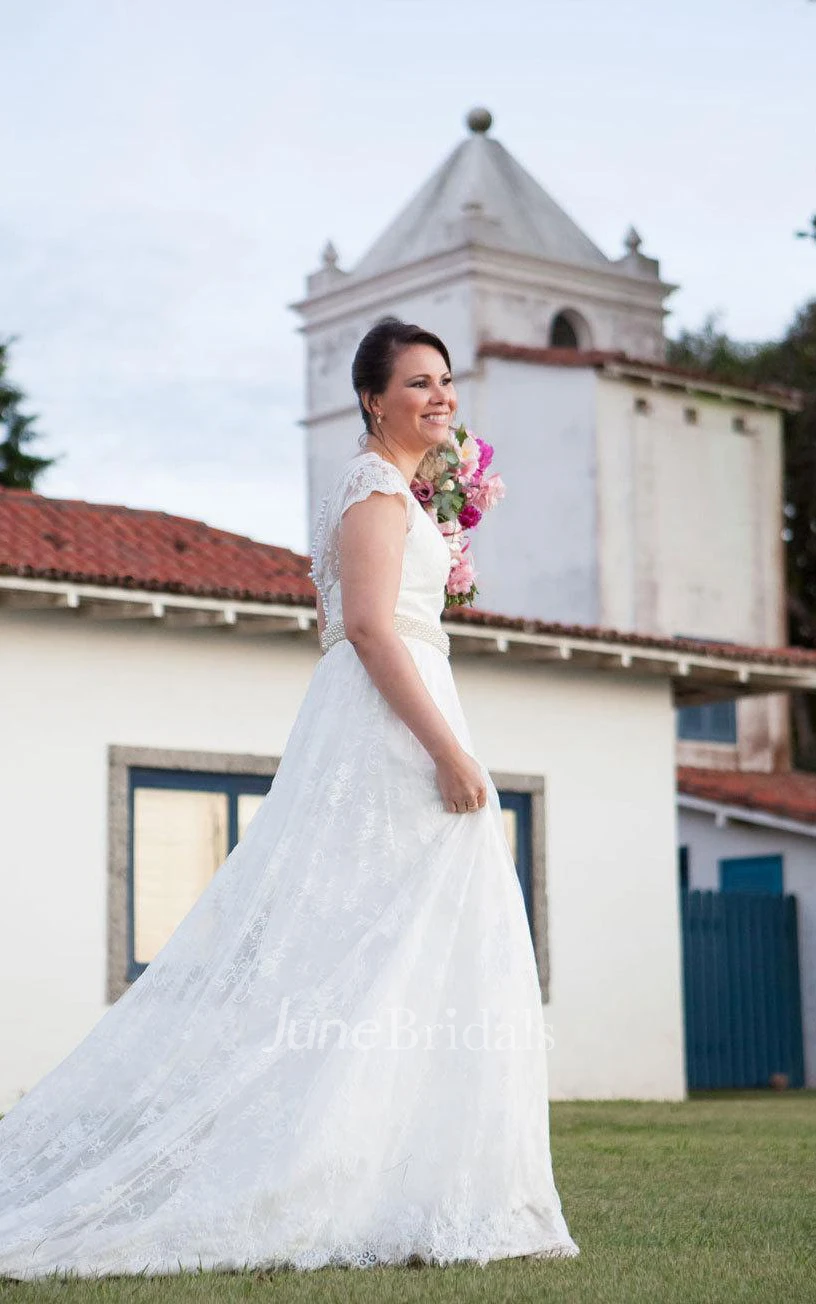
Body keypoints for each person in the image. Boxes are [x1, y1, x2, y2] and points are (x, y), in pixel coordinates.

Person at [0, 317, 579, 1279]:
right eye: (418, 382)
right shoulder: (375, 490)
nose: (441, 396)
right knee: (384, 936)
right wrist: (447, 751)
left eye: (446, 380)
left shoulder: (395, 491)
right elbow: (368, 627)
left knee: (413, 941)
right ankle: (334, 1177)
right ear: (373, 400)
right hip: (396, 727)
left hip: (403, 705)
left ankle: (405, 1178)